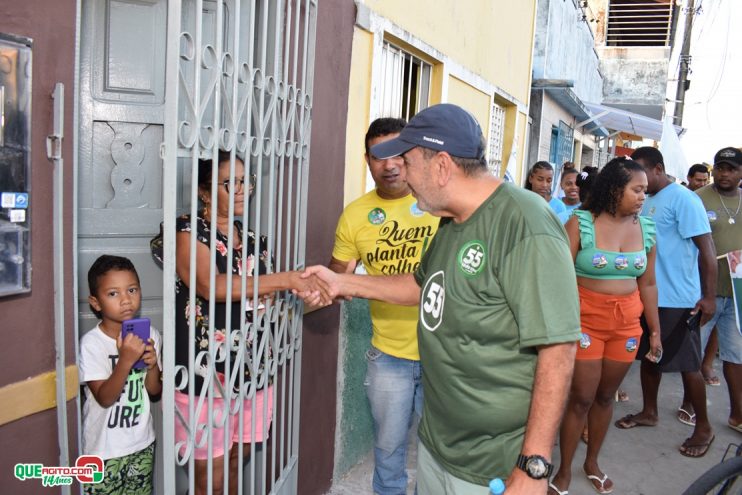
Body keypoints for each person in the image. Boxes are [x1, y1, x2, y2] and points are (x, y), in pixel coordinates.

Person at [303, 104, 581, 494]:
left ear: (441, 166)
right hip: (439, 444)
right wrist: (342, 283)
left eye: (408, 161)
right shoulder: (452, 221)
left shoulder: (525, 224)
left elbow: (559, 348)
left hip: (490, 462)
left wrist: (533, 466)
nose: (402, 174)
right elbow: (421, 286)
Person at [169, 151, 327, 495]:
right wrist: (285, 279)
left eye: (245, 182)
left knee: (235, 460)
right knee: (209, 476)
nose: (242, 190)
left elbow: (265, 294)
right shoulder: (188, 230)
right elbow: (210, 285)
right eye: (230, 183)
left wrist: (309, 291)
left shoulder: (255, 241)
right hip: (205, 372)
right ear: (205, 192)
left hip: (253, 368)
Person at [329, 118, 439, 494]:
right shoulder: (356, 215)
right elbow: (338, 276)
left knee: (439, 456)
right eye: (379, 155)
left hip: (445, 355)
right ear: (367, 160)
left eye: (397, 153)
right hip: (389, 356)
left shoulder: (439, 204)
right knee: (389, 452)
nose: (389, 164)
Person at [548, 158, 660, 495]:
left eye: (645, 190)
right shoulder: (580, 222)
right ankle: (564, 469)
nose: (643, 196)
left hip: (626, 325)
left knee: (605, 396)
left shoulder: (647, 228)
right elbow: (559, 277)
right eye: (636, 189)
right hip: (584, 321)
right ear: (614, 190)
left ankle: (592, 462)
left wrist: (654, 331)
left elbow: (649, 284)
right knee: (581, 398)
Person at [615, 147, 717, 459]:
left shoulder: (685, 200)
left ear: (659, 168)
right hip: (646, 295)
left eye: (644, 172)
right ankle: (649, 411)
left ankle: (704, 427)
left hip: (677, 298)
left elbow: (708, 250)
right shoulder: (644, 200)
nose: (639, 180)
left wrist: (709, 297)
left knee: (688, 365)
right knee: (649, 356)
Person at [79, 255, 162, 495]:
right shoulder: (92, 344)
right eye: (113, 294)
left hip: (142, 443)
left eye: (132, 290)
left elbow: (154, 391)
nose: (126, 300)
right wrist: (125, 360)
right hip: (103, 451)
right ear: (95, 302)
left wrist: (153, 364)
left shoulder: (151, 335)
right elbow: (104, 398)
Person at [694, 147, 742, 433]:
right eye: (720, 168)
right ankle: (691, 407)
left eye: (731, 169)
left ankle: (737, 414)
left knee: (735, 356)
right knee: (693, 355)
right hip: (703, 293)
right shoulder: (697, 199)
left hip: (736, 295)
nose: (724, 174)